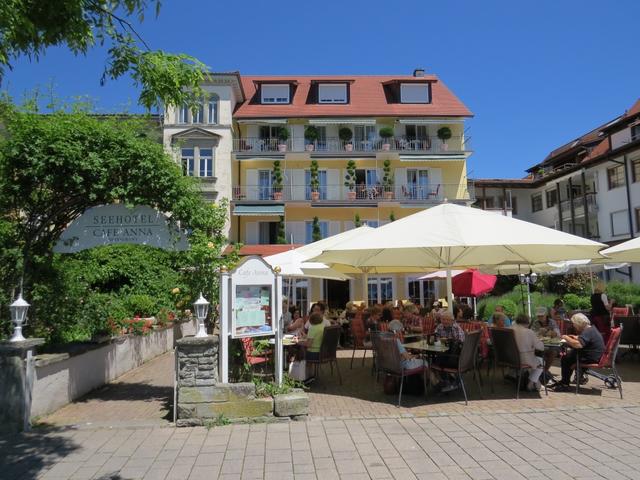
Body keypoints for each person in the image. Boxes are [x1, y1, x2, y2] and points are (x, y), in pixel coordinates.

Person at [553, 313, 605, 392]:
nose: (573, 326)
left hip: (591, 358)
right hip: (594, 355)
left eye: (574, 324)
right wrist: (576, 337)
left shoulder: (588, 332)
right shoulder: (591, 329)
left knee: (566, 359)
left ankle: (565, 384)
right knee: (569, 356)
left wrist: (565, 337)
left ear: (579, 323)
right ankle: (564, 381)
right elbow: (584, 339)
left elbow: (578, 345)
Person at [512, 314, 545, 391]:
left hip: (510, 359)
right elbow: (541, 347)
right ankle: (530, 383)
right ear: (528, 323)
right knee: (541, 361)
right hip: (523, 359)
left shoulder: (510, 329)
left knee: (534, 363)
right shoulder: (528, 332)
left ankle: (536, 384)